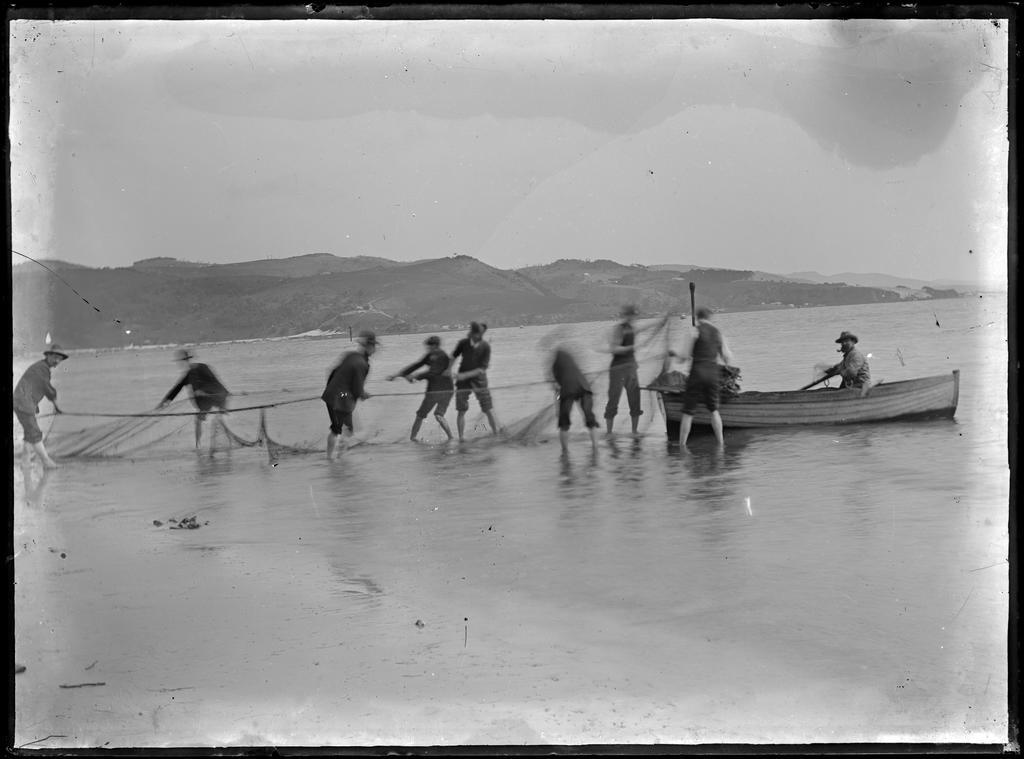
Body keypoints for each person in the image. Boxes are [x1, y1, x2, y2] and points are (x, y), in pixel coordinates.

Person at [672, 307, 734, 448]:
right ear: (709, 317)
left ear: (698, 317)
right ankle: (721, 443)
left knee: (688, 412)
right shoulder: (718, 333)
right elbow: (727, 357)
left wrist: (674, 354)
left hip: (697, 372)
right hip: (712, 373)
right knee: (714, 410)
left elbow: (683, 357)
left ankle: (682, 445)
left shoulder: (694, 331)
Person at [603, 304, 662, 435]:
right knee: (614, 399)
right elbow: (614, 348)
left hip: (631, 368)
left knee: (635, 399)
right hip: (617, 369)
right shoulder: (618, 329)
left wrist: (660, 321)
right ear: (627, 315)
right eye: (633, 315)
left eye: (635, 316)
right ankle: (609, 433)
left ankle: (634, 431)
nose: (635, 318)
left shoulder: (631, 328)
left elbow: (643, 328)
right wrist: (630, 348)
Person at [158, 349, 230, 449]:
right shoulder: (188, 374)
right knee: (199, 420)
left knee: (218, 418)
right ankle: (198, 446)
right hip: (206, 400)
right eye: (183, 361)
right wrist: (165, 402)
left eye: (185, 361)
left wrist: (204, 392)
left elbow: (215, 382)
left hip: (217, 396)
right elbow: (176, 389)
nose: (184, 364)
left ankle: (220, 441)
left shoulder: (202, 367)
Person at [388, 335, 454, 442]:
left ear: (436, 346)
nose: (428, 349)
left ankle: (451, 438)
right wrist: (397, 374)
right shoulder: (430, 355)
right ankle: (413, 439)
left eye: (430, 347)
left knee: (438, 415)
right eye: (428, 347)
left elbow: (433, 372)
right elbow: (416, 365)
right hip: (436, 390)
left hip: (444, 390)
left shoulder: (442, 356)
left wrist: (415, 376)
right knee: (421, 415)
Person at [322, 330, 377, 458]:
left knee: (337, 429)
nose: (375, 349)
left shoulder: (350, 355)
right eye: (373, 346)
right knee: (346, 430)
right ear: (368, 347)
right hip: (342, 400)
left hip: (330, 395)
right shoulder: (363, 364)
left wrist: (330, 390)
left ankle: (331, 459)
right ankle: (338, 459)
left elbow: (332, 373)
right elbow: (357, 388)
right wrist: (363, 394)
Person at [13, 344, 68, 469]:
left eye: (59, 359)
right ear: (47, 356)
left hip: (24, 403)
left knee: (29, 433)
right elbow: (48, 389)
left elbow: (44, 388)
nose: (57, 361)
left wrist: (55, 406)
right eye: (55, 357)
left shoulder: (42, 367)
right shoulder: (41, 369)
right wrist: (56, 405)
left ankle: (25, 462)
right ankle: (46, 462)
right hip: (23, 403)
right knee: (35, 432)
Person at [451, 321, 500, 441]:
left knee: (488, 408)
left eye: (480, 332)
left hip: (479, 381)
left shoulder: (485, 346)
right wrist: (448, 370)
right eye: (476, 332)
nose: (478, 335)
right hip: (463, 382)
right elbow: (453, 357)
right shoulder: (463, 343)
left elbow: (482, 369)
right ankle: (461, 438)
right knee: (461, 410)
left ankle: (496, 434)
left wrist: (464, 375)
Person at [550, 345, 599, 454]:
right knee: (590, 419)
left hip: (568, 390)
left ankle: (564, 452)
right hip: (584, 388)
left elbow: (557, 390)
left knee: (563, 423)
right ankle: (596, 448)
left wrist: (558, 409)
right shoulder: (574, 365)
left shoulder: (555, 368)